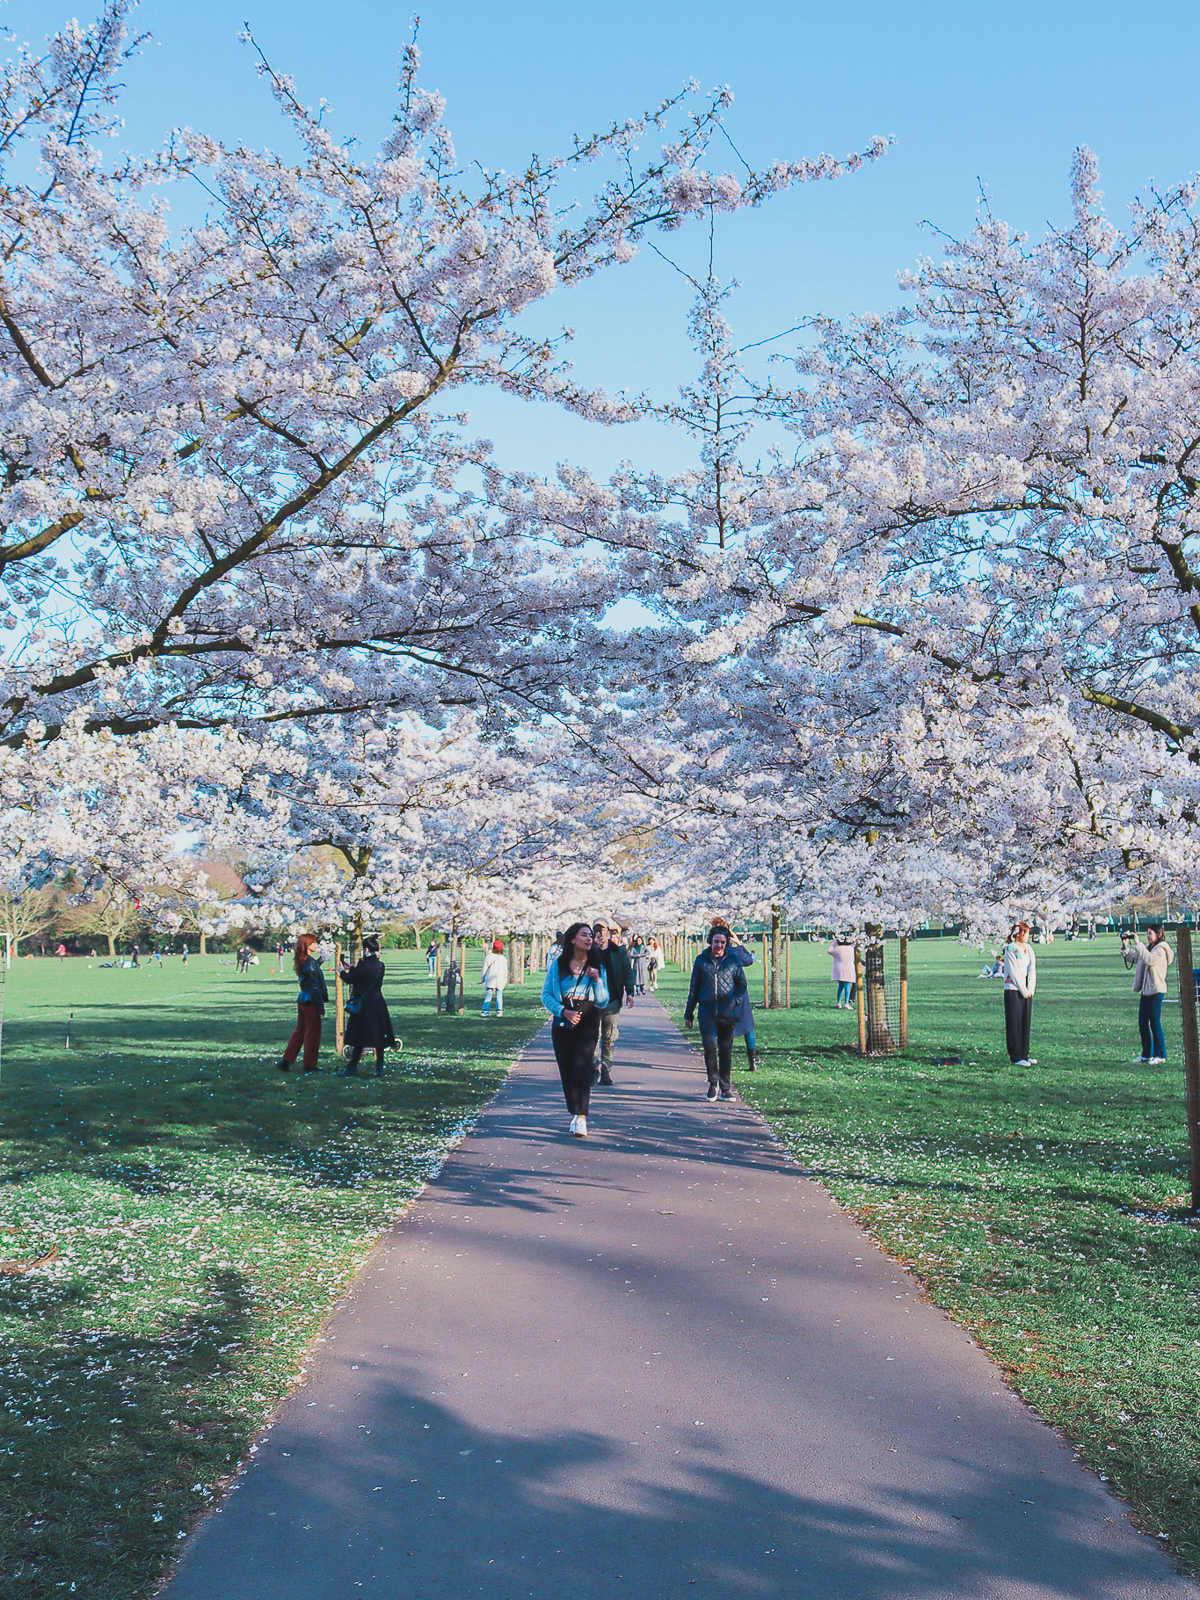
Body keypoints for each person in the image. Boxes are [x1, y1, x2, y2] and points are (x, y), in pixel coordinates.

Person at [542, 921, 609, 1137]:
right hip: (563, 1020)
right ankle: (574, 1110)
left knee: (581, 1064)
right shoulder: (558, 966)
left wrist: (597, 979)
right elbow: (546, 995)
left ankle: (581, 1117)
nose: (589, 939)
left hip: (588, 1018)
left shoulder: (597, 966)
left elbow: (602, 1001)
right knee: (567, 1069)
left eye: (591, 936)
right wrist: (563, 1011)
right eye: (584, 935)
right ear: (573, 939)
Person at [684, 926, 748, 1101]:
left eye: (722, 942)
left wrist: (734, 1001)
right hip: (707, 1013)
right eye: (716, 942)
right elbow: (694, 988)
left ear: (726, 944)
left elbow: (742, 985)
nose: (719, 945)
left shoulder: (733, 960)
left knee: (726, 1051)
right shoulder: (701, 961)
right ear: (710, 942)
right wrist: (688, 1013)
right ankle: (713, 1084)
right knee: (710, 1048)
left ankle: (725, 1088)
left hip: (727, 1014)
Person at [337, 936, 397, 1075]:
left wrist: (341, 971)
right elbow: (364, 977)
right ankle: (379, 1067)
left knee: (359, 1037)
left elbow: (352, 979)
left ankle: (352, 1066)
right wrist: (352, 968)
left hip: (364, 1005)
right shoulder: (380, 965)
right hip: (378, 1003)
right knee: (379, 1037)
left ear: (367, 949)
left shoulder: (364, 965)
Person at [590, 920, 635, 1085]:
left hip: (613, 1001)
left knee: (609, 1037)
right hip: (592, 1003)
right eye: (596, 932)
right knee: (593, 1037)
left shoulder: (618, 952)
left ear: (608, 932)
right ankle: (593, 1068)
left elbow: (626, 972)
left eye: (603, 931)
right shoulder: (588, 952)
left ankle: (606, 1070)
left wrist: (630, 992)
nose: (600, 935)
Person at [276, 933, 328, 1073]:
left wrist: (320, 961)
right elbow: (315, 985)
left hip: (303, 999)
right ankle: (310, 1064)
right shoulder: (309, 962)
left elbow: (310, 971)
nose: (316, 945)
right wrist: (320, 1005)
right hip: (311, 1001)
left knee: (300, 1031)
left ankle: (286, 1060)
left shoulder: (304, 960)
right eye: (313, 943)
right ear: (307, 945)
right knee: (313, 1033)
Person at [710, 918, 758, 1070]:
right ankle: (753, 1061)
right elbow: (749, 960)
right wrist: (739, 943)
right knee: (746, 1026)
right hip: (737, 993)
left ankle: (725, 1061)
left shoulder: (714, 952)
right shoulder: (734, 952)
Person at [1125, 924, 1174, 1064]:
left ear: (1158, 934)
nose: (1148, 936)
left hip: (1156, 990)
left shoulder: (1161, 949)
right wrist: (1125, 946)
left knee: (1155, 1023)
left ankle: (1161, 1054)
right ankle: (1147, 1054)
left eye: (1150, 933)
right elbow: (1134, 958)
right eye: (1147, 933)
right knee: (1142, 1023)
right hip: (1146, 991)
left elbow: (1150, 960)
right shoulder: (1148, 947)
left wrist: (1138, 943)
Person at [1002, 922, 1037, 1067]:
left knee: (1025, 1022)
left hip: (1026, 990)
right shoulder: (1010, 949)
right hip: (1013, 989)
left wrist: (1030, 988)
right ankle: (1015, 1056)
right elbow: (1013, 971)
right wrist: (1023, 989)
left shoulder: (1028, 949)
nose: (1029, 936)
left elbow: (1032, 968)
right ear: (1019, 934)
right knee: (1014, 1022)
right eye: (1026, 933)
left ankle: (1024, 1053)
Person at [480, 939, 508, 1016]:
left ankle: (485, 1011)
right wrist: (505, 980)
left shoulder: (489, 957)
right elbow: (505, 971)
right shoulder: (503, 959)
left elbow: (484, 968)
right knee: (499, 994)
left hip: (490, 978)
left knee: (488, 994)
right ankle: (499, 1011)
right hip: (500, 979)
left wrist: (482, 978)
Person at [828, 935, 856, 1008]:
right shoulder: (851, 949)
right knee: (847, 986)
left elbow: (829, 951)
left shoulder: (838, 949)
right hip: (849, 968)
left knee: (840, 986)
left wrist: (834, 943)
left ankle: (838, 1003)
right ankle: (846, 1003)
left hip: (839, 968)